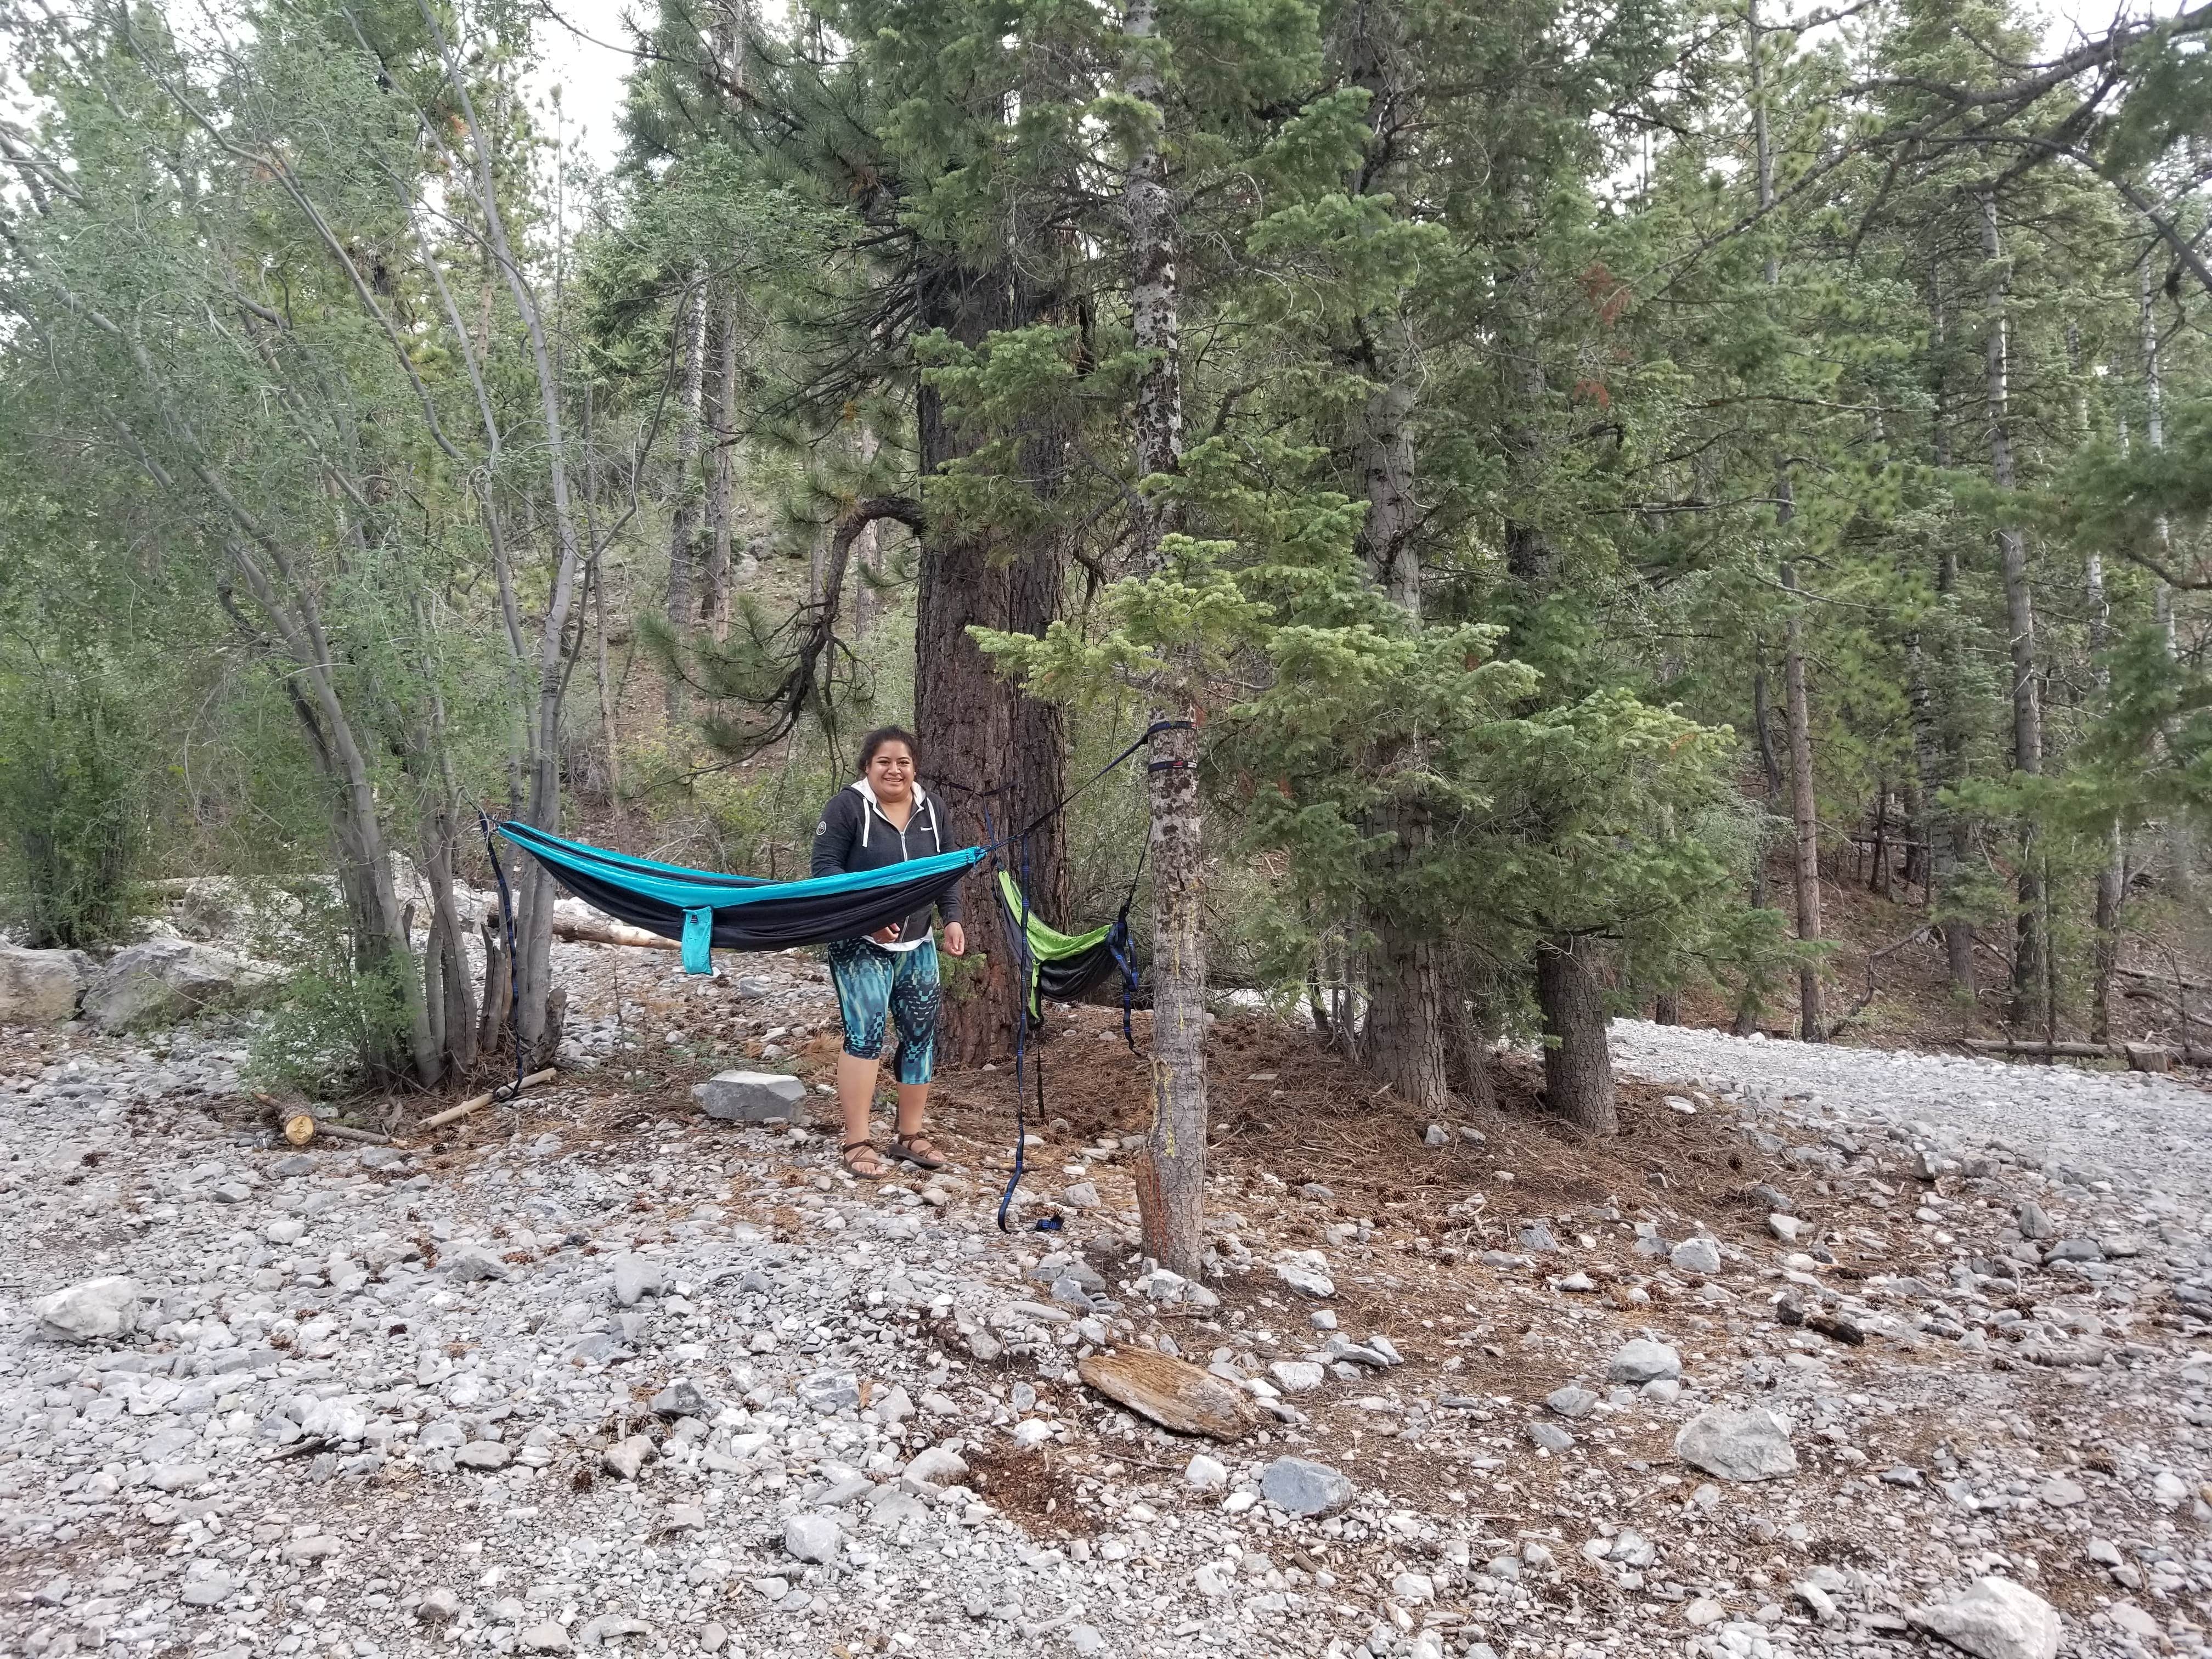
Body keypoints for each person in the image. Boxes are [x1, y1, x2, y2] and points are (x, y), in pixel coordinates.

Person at [811, 726, 966, 1179]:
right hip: (859, 942)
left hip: (918, 943)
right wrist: (868, 918)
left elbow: (947, 869)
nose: (894, 770)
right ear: (867, 766)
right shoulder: (846, 807)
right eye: (884, 762)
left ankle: (909, 1135)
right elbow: (824, 870)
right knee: (866, 1035)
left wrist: (952, 918)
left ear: (914, 767)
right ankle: (857, 1141)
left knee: (920, 1035)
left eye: (903, 762)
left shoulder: (932, 808)